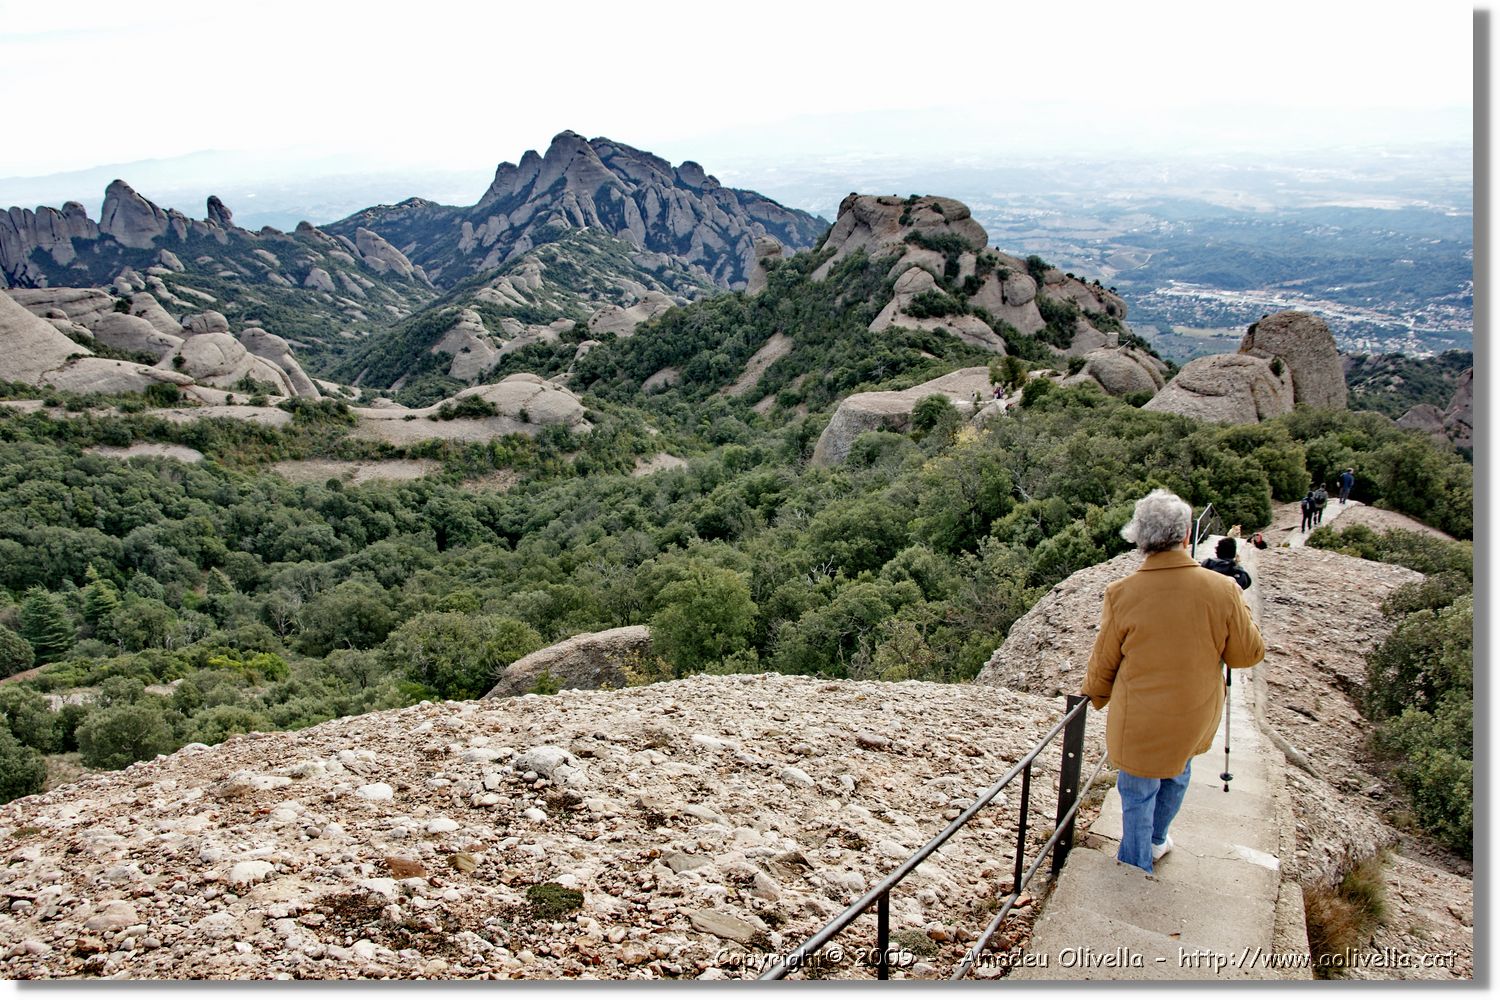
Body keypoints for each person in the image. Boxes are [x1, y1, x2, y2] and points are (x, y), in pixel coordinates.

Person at [1083, 489, 1265, 875]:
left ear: (1140, 539)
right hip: (1193, 712)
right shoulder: (1224, 590)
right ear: (1186, 536)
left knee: (1136, 789)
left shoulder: (1122, 593)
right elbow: (1246, 654)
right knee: (1177, 771)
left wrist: (1094, 695)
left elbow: (1106, 657)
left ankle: (1134, 864)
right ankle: (1156, 840)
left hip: (1141, 716)